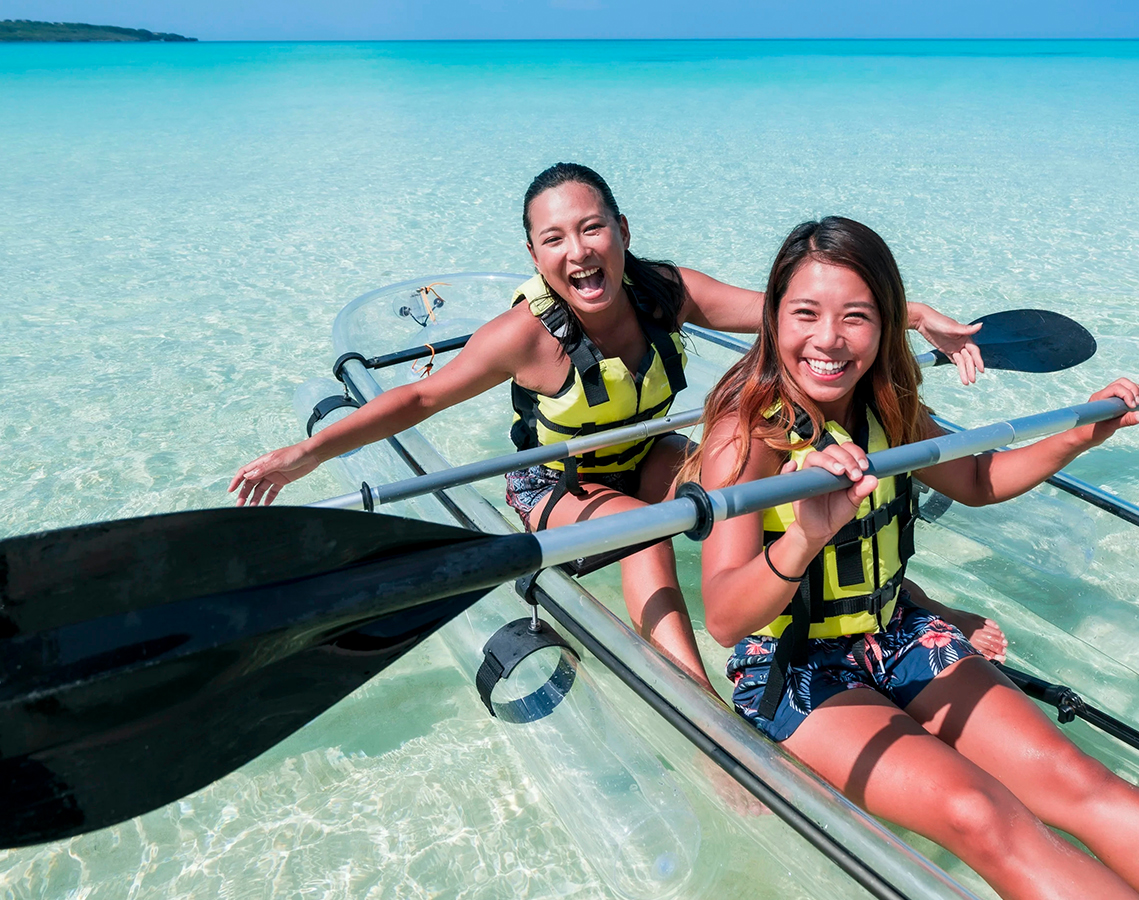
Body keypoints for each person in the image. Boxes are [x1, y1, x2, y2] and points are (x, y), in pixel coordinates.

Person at [683, 216, 1139, 899]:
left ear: (885, 328)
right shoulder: (747, 430)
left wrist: (1078, 436)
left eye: (856, 317)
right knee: (980, 814)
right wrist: (803, 537)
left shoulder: (887, 401)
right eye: (805, 314)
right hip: (794, 664)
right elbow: (728, 618)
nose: (828, 339)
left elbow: (975, 479)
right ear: (771, 319)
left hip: (895, 634)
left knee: (1074, 781)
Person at [229, 163, 985, 691]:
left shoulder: (665, 291)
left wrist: (908, 316)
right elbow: (419, 403)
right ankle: (696, 702)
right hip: (556, 480)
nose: (577, 250)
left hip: (648, 450)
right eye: (553, 238)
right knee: (651, 526)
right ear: (534, 254)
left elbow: (790, 308)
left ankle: (895, 598)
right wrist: (306, 452)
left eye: (591, 229)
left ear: (621, 231)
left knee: (760, 487)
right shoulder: (522, 336)